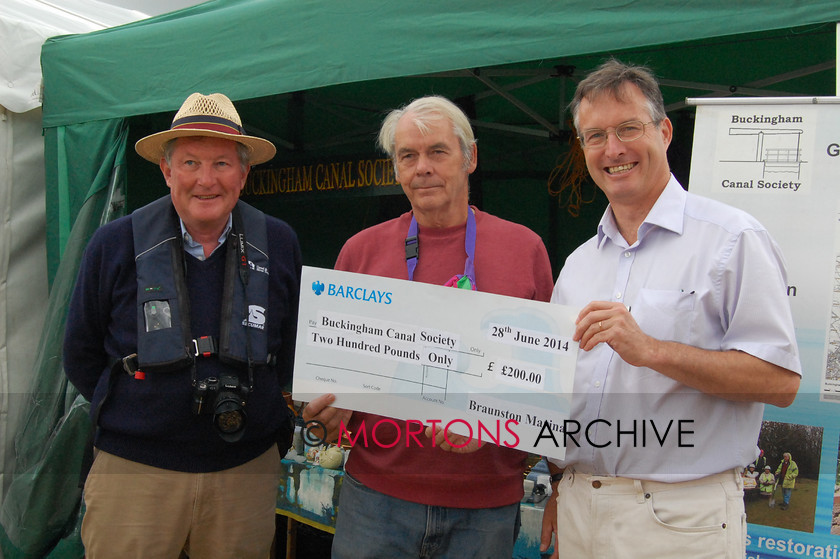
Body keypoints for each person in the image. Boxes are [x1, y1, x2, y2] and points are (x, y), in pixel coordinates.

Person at [540, 59, 801, 558]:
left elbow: (780, 380)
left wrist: (651, 350)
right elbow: (558, 391)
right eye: (594, 136)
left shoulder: (731, 239)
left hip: (680, 518)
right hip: (580, 508)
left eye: (627, 129)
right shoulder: (577, 264)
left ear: (664, 131)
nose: (612, 149)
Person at [303, 95, 554, 558]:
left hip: (485, 507)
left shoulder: (525, 249)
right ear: (395, 168)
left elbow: (545, 382)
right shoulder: (360, 253)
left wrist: (495, 420)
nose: (423, 168)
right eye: (408, 156)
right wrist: (328, 412)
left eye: (438, 151)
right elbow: (336, 378)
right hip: (375, 499)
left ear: (470, 157)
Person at [63, 92, 302, 558]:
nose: (206, 180)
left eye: (222, 164)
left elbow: (292, 349)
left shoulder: (279, 242)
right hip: (134, 474)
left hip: (244, 475)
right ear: (167, 171)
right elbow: (80, 351)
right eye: (190, 162)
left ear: (244, 173)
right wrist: (143, 409)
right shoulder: (114, 242)